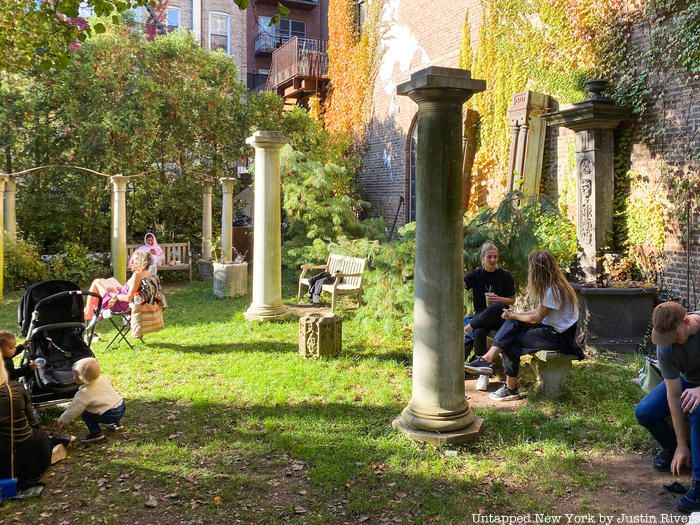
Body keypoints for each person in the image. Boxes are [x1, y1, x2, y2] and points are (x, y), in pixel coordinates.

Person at [465, 250, 583, 401]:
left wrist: (514, 315)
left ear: (538, 270)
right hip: (549, 329)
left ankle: (510, 389)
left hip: (558, 337)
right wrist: (515, 315)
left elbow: (537, 317)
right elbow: (537, 312)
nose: (529, 271)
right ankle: (487, 360)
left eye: (531, 268)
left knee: (510, 341)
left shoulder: (554, 290)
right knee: (513, 322)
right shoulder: (552, 285)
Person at [634, 302, 700, 513]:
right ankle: (676, 450)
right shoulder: (666, 344)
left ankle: (699, 483)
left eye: (674, 335)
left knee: (697, 411)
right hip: (689, 382)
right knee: (645, 412)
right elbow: (673, 394)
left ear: (686, 321)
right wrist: (681, 444)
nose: (670, 343)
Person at [0, 360, 53, 488]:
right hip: (33, 456)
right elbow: (32, 420)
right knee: (41, 437)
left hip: (4, 461)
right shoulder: (15, 388)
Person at [463, 242, 516, 361]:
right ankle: (482, 369)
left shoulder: (505, 276)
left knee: (498, 306)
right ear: (482, 258)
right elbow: (459, 285)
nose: (493, 260)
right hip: (481, 316)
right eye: (489, 257)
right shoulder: (476, 275)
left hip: (500, 316)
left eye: (495, 257)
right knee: (479, 332)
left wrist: (499, 299)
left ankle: (466, 329)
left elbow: (512, 300)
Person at [57, 357, 126, 443]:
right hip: (121, 406)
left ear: (83, 378)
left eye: (75, 375)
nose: (73, 378)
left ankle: (96, 434)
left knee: (87, 415)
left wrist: (63, 419)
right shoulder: (102, 379)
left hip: (110, 414)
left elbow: (74, 410)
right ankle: (117, 424)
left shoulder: (84, 393)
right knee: (108, 404)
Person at [84, 249, 154, 321]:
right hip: (126, 301)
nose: (132, 262)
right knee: (110, 280)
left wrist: (114, 294)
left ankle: (88, 313)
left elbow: (128, 298)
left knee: (97, 282)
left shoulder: (137, 275)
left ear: (142, 262)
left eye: (135, 260)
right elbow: (135, 291)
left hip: (118, 304)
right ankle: (95, 312)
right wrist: (120, 289)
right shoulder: (147, 274)